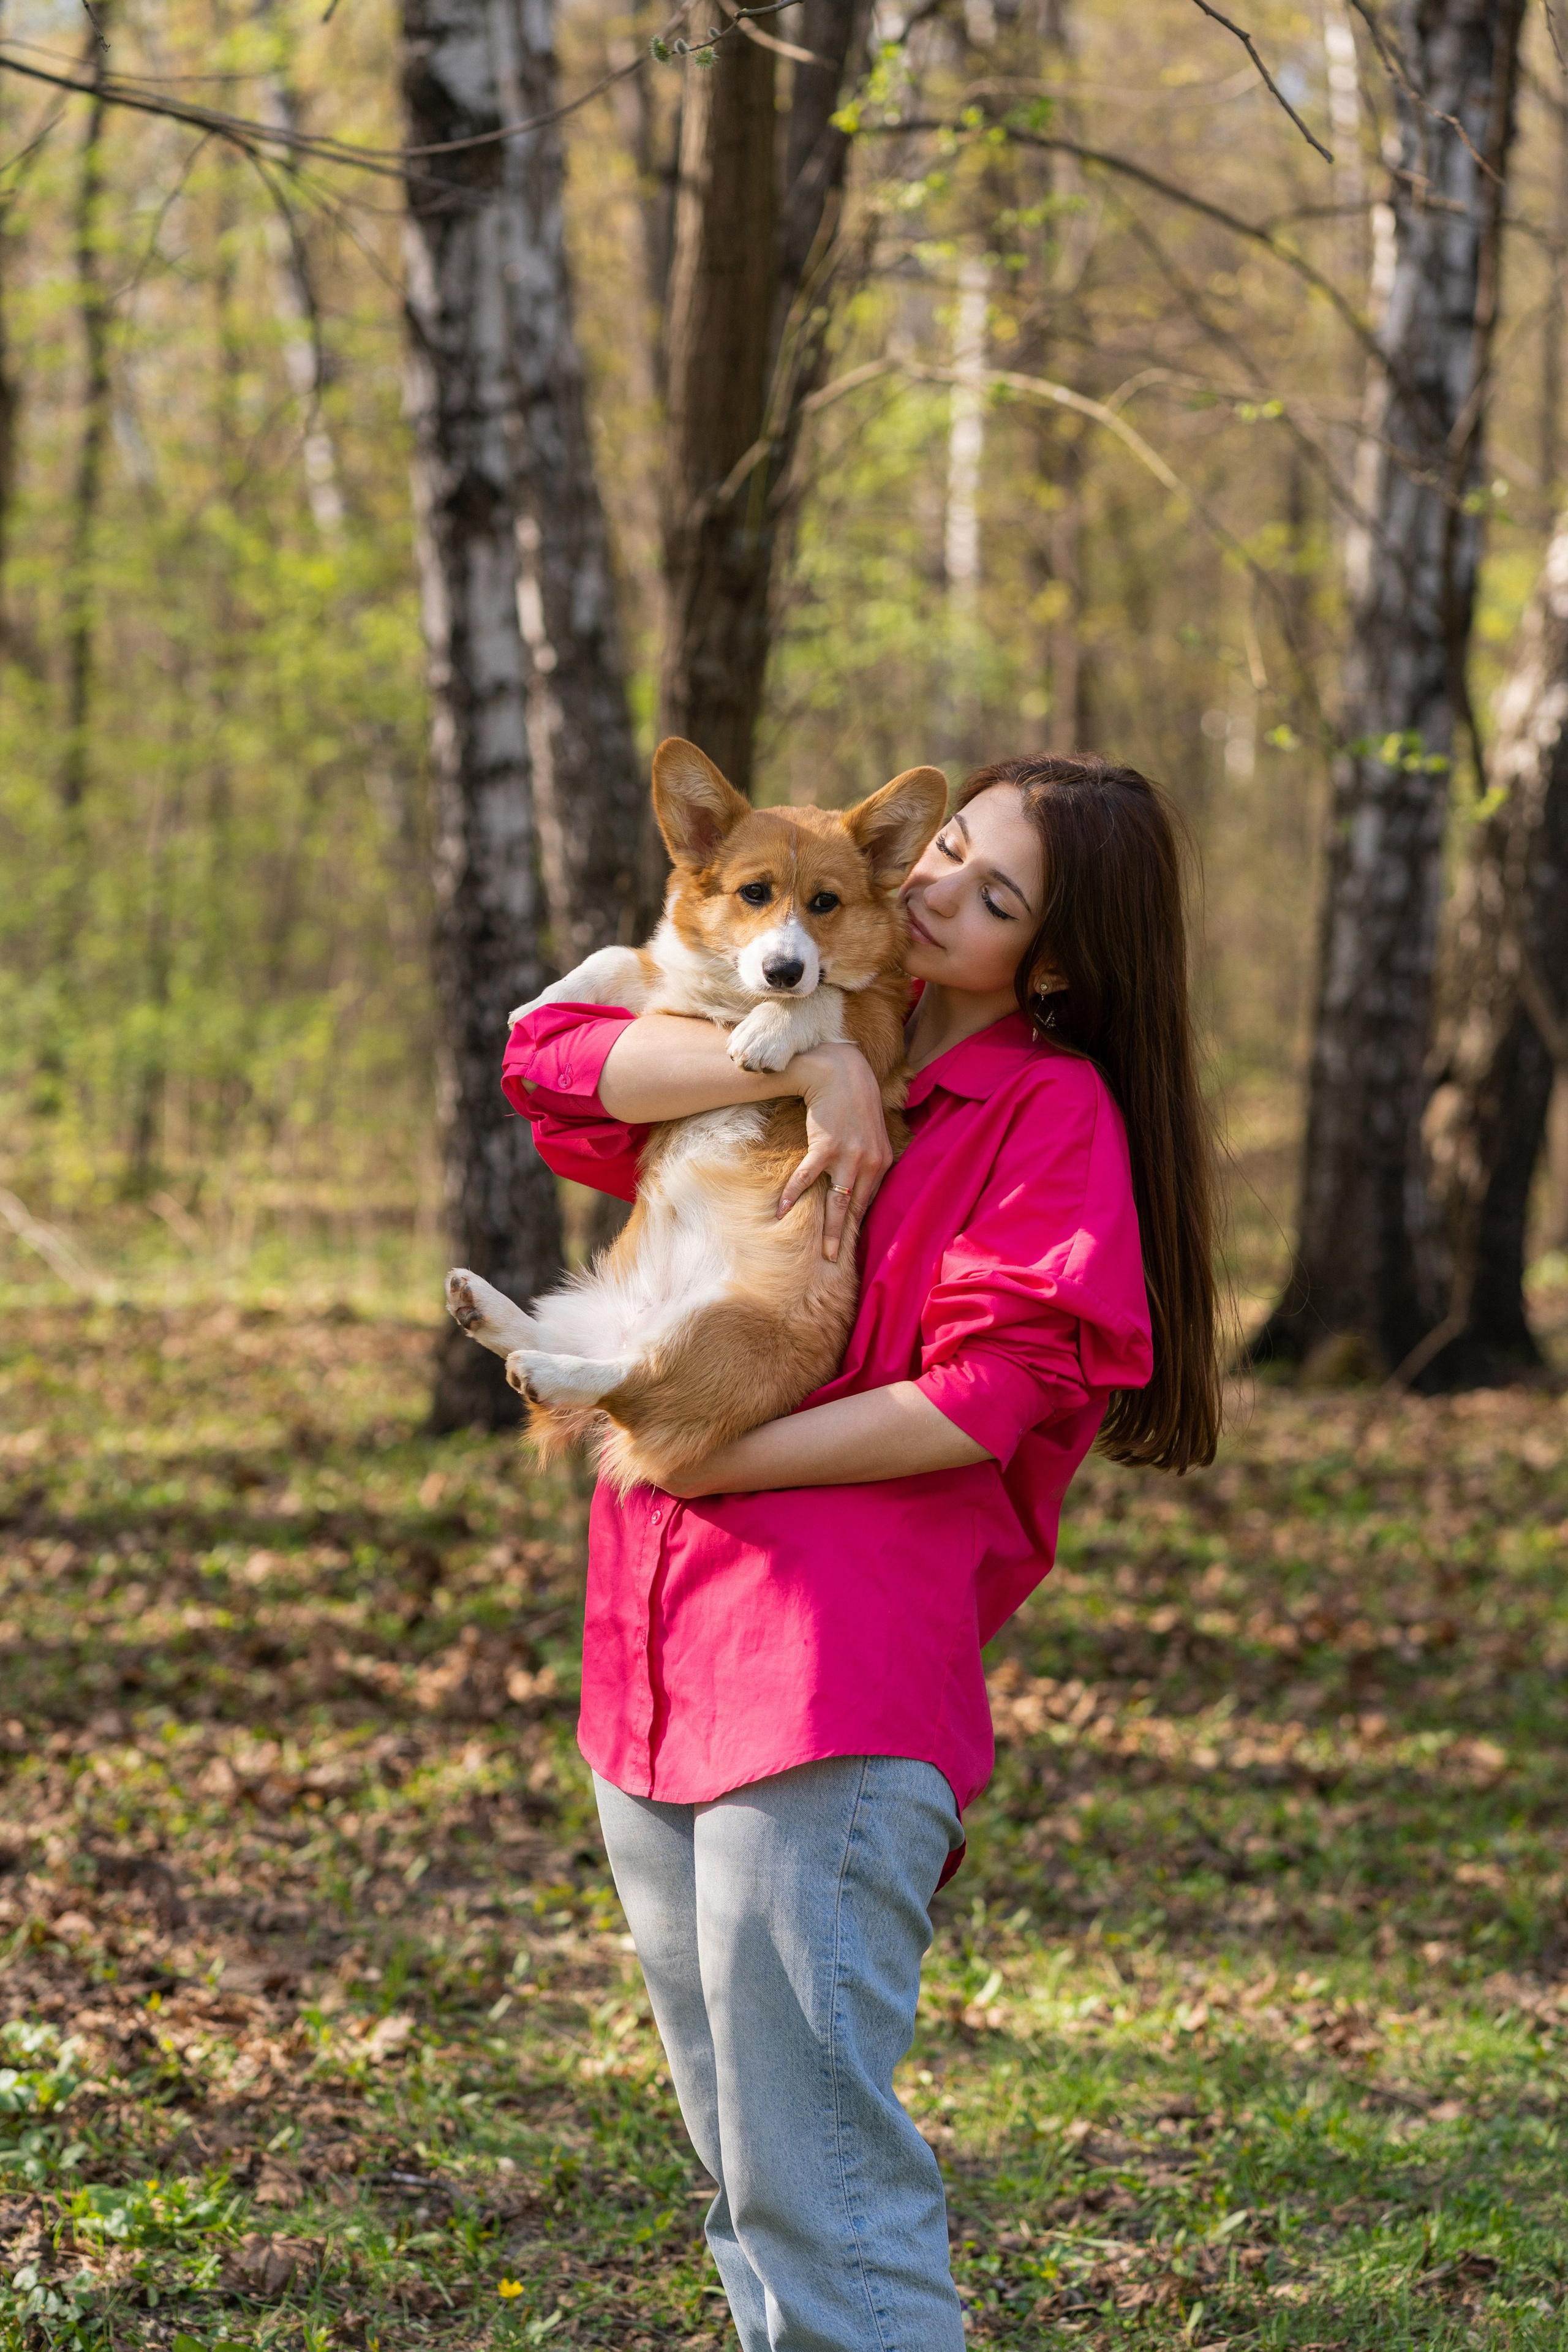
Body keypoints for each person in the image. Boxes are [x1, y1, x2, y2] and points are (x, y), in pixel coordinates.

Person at [501, 753, 1220, 2351]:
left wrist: (723, 1454)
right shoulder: (795, 1040)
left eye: (993, 893)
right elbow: (546, 1061)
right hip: (659, 1666)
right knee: (748, 2181)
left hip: (826, 1688)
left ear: (1057, 960)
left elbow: (990, 1396)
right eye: (948, 849)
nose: (934, 887)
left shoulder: (1047, 1109)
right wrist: (822, 1076)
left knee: (817, 2188)